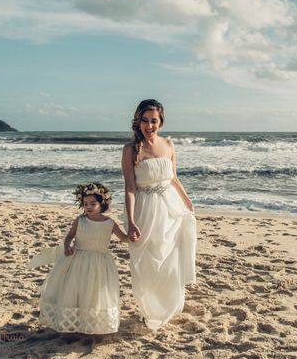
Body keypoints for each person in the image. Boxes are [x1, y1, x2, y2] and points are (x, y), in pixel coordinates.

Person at [122, 99, 196, 330]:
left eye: (154, 120)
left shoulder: (169, 144)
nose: (149, 125)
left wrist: (187, 201)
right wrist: (132, 221)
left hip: (170, 207)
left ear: (161, 122)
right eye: (145, 120)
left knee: (170, 257)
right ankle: (150, 308)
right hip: (144, 207)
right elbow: (130, 187)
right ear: (138, 121)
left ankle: (169, 304)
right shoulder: (131, 149)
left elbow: (173, 178)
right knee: (148, 261)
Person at [29, 182, 129, 334]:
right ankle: (74, 322)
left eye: (92, 203)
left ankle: (92, 323)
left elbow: (123, 238)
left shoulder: (110, 223)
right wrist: (68, 245)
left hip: (99, 262)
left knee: (95, 291)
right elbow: (70, 236)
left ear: (102, 203)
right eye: (85, 203)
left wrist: (134, 235)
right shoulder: (81, 220)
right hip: (78, 259)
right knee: (76, 289)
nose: (88, 207)